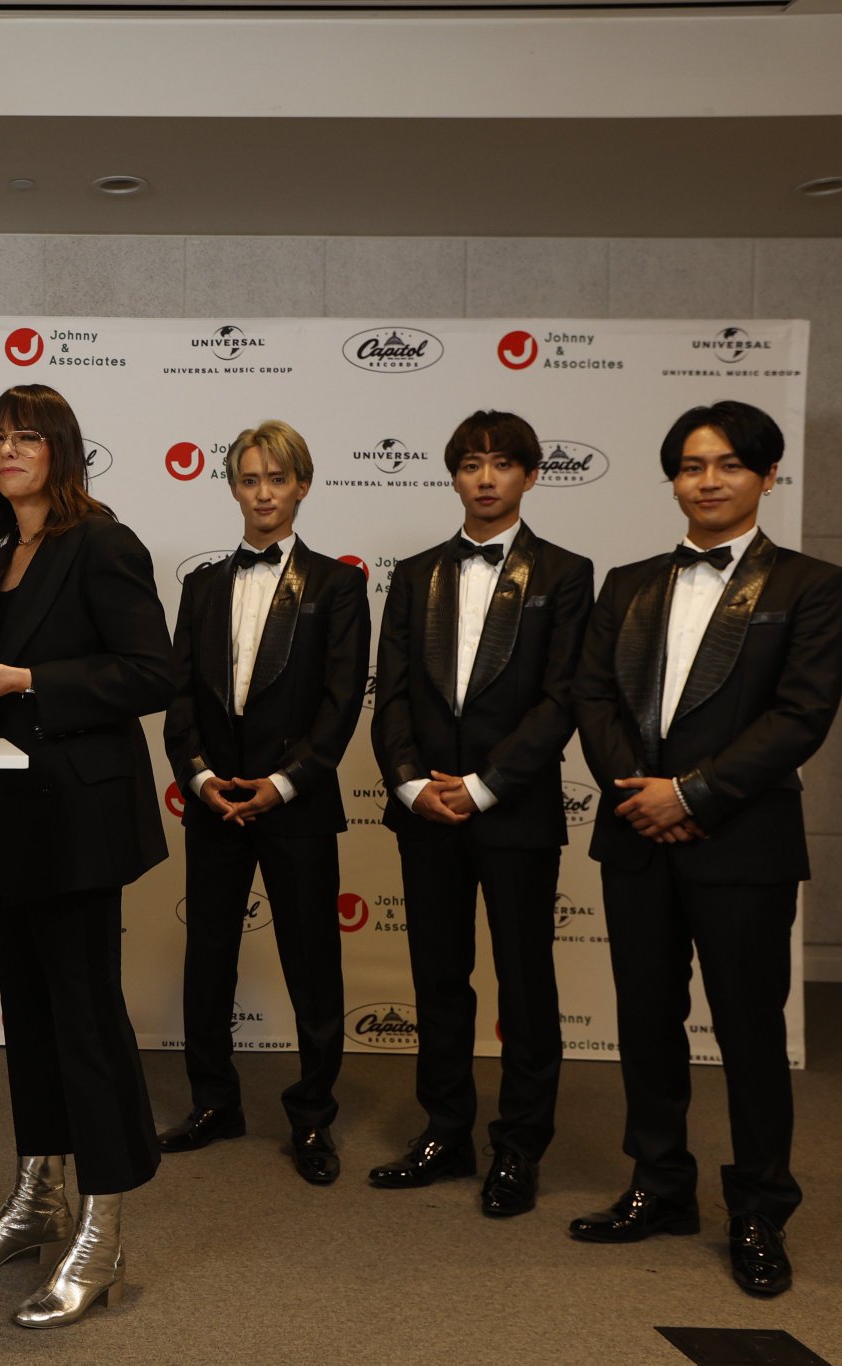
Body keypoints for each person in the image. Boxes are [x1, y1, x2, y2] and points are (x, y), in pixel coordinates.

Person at [570, 400, 842, 1298]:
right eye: (692, 466)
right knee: (646, 1022)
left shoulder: (812, 585)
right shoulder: (627, 583)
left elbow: (800, 716)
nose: (709, 480)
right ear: (673, 481)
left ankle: (761, 1208)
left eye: (730, 464)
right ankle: (660, 1185)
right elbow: (592, 699)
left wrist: (690, 794)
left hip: (743, 843)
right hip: (636, 837)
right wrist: (641, 797)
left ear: (767, 475)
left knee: (748, 1031)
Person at [0, 382, 173, 1330]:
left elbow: (151, 673)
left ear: (61, 450)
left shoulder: (103, 543)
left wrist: (28, 677)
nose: (7, 450)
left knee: (85, 1022)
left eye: (26, 436)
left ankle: (104, 1230)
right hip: (4, 817)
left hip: (78, 821)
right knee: (29, 1017)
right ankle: (40, 1197)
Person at [367, 411, 592, 1216]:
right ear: (454, 475)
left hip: (515, 809)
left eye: (501, 463)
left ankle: (520, 1147)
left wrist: (486, 784)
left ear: (530, 474)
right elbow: (390, 693)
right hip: (425, 808)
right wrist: (409, 784)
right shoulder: (415, 574)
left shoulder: (566, 574)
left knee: (525, 983)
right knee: (438, 977)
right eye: (470, 463)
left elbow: (562, 698)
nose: (486, 477)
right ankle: (445, 1130)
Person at [158, 420, 369, 1187]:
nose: (264, 494)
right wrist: (200, 777)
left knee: (312, 962)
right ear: (233, 488)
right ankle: (214, 1102)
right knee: (209, 956)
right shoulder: (202, 586)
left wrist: (281, 784)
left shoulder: (339, 586)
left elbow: (341, 704)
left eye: (277, 479)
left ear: (301, 486)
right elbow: (180, 697)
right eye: (250, 480)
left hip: (296, 802)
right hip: (215, 802)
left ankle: (312, 1116)